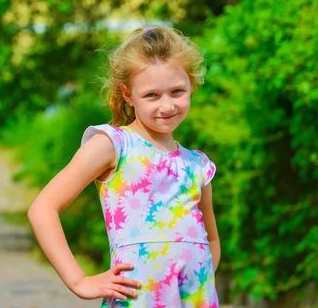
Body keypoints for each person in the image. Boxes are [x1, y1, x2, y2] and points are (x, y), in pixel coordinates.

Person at [27, 26, 220, 307]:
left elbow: (211, 241)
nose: (166, 105)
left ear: (191, 85)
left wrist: (196, 280)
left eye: (177, 91)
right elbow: (43, 208)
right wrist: (79, 281)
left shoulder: (198, 165)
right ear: (128, 95)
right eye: (151, 95)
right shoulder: (114, 145)